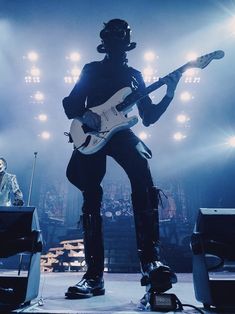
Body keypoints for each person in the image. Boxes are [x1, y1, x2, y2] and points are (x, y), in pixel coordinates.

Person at [63, 19, 182, 299]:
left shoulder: (135, 75)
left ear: (127, 43)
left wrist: (170, 92)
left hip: (121, 133)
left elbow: (149, 117)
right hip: (92, 134)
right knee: (91, 196)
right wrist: (83, 115)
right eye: (112, 39)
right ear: (105, 42)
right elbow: (70, 103)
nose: (117, 44)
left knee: (143, 174)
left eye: (121, 39)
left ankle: (151, 262)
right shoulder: (91, 69)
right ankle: (93, 276)